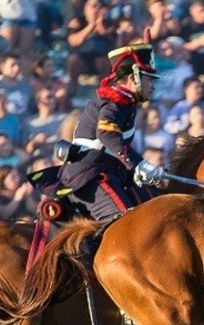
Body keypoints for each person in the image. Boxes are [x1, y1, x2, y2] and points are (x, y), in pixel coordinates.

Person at [59, 31, 161, 222]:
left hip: (106, 171)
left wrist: (134, 173)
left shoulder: (127, 103)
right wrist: (139, 163)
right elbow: (106, 135)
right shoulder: (116, 102)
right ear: (133, 79)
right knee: (126, 222)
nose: (152, 86)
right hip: (91, 174)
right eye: (148, 80)